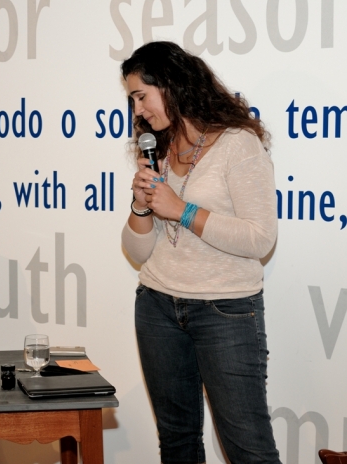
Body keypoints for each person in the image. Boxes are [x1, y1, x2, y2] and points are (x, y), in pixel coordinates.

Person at [120, 41, 280, 464]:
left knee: (249, 450)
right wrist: (141, 205)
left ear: (171, 84)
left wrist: (182, 210)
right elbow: (138, 250)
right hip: (157, 305)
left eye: (141, 96)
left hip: (225, 311)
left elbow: (260, 238)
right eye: (132, 100)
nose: (137, 110)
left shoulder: (237, 144)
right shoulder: (159, 147)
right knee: (177, 442)